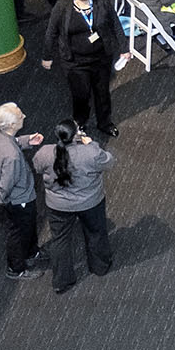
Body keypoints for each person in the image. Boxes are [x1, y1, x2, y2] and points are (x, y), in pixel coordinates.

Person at [33, 121, 115, 294]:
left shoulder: (45, 153)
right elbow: (109, 162)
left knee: (60, 240)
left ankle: (62, 281)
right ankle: (100, 267)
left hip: (58, 205)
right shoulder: (90, 152)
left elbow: (37, 167)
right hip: (90, 202)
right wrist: (91, 143)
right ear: (76, 134)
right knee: (96, 233)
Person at [41, 0, 122, 137]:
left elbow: (115, 24)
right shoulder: (62, 7)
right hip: (75, 62)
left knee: (102, 93)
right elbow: (51, 32)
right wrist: (47, 56)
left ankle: (105, 123)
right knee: (81, 96)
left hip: (100, 58)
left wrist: (124, 48)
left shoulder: (101, 1)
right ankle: (80, 123)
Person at [0, 103, 46, 281]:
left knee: (27, 226)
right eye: (20, 116)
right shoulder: (11, 156)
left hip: (12, 194)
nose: (24, 116)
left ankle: (32, 252)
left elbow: (10, 142)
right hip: (19, 198)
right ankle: (16, 267)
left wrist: (27, 141)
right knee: (19, 232)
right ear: (11, 125)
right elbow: (8, 180)